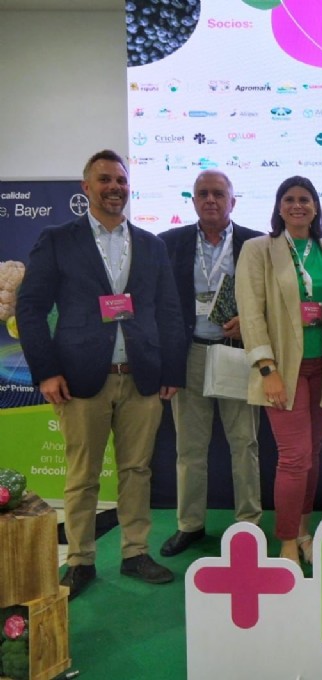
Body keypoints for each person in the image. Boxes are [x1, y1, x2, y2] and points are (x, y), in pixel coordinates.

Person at [16, 149, 187, 598]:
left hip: (142, 377)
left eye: (121, 180)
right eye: (105, 180)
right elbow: (30, 308)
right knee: (83, 475)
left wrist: (172, 369)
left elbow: (169, 311)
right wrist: (46, 372)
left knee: (137, 470)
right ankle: (80, 560)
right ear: (86, 187)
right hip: (79, 379)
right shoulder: (58, 239)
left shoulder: (151, 245)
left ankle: (135, 553)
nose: (114, 187)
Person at [156, 170, 263, 557]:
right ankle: (190, 524)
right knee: (189, 447)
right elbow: (161, 304)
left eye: (219, 193)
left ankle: (249, 524)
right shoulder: (170, 243)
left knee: (244, 442)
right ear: (193, 200)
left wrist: (248, 321)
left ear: (233, 200)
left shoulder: (255, 243)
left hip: (237, 352)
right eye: (202, 193)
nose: (211, 200)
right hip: (190, 355)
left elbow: (270, 297)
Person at [236, 176, 322, 566]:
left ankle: (303, 530)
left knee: (312, 455)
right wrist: (267, 369)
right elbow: (251, 313)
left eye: (305, 199)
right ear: (279, 207)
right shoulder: (259, 250)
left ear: (315, 208)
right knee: (294, 457)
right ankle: (286, 541)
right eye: (290, 199)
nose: (298, 205)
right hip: (283, 369)